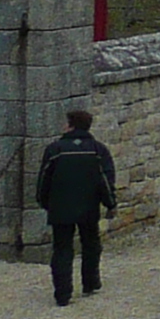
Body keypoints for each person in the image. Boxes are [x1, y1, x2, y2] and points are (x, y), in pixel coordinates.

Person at [35, 107, 116, 307]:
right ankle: (90, 282)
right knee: (91, 244)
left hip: (60, 206)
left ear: (70, 125)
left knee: (62, 248)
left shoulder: (55, 150)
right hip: (89, 206)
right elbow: (105, 180)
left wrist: (44, 201)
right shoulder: (98, 150)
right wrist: (110, 203)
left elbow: (44, 179)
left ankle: (62, 293)